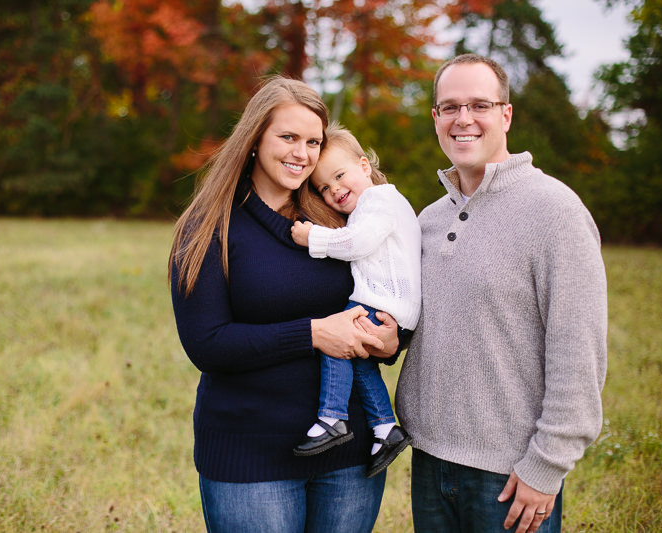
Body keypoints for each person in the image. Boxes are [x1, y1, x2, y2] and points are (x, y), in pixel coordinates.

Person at [169, 76, 400, 533]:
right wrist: (314, 333)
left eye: (313, 141)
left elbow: (388, 291)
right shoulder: (208, 228)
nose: (302, 153)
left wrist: (393, 338)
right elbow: (207, 345)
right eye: (288, 137)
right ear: (255, 139)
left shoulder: (341, 222)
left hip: (349, 458)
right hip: (251, 458)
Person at [395, 53, 608, 533]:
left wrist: (545, 468)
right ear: (435, 118)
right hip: (430, 461)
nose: (463, 119)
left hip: (511, 475)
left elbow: (579, 353)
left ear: (505, 114)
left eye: (479, 105)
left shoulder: (555, 212)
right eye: (449, 107)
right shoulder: (427, 220)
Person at [289, 123, 420, 478]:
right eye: (325, 188)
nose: (335, 190)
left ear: (365, 166)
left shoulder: (380, 201)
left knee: (337, 340)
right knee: (362, 363)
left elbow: (356, 243)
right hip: (392, 308)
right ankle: (385, 430)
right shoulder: (377, 204)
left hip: (384, 303)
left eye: (340, 175)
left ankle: (332, 417)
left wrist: (311, 236)